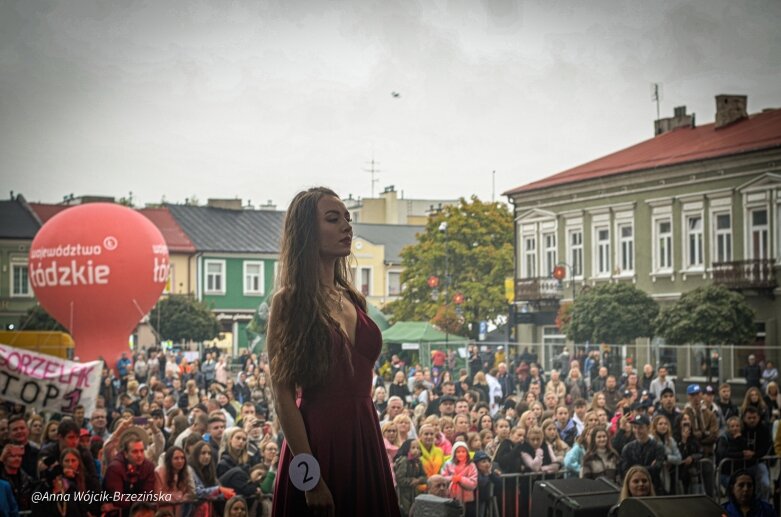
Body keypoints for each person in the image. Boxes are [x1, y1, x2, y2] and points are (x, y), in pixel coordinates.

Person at [268, 187, 399, 516]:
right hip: (316, 443)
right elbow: (283, 397)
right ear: (307, 232)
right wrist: (309, 479)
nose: (347, 227)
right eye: (333, 219)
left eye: (348, 219)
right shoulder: (288, 302)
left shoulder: (355, 299)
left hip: (365, 436)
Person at [103, 432, 156, 517]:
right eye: (135, 451)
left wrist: (132, 501)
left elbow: (148, 495)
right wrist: (138, 500)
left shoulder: (148, 466)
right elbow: (118, 499)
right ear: (125, 454)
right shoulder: (115, 468)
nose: (139, 455)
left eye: (142, 451)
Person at [154, 446, 195, 517]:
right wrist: (178, 497)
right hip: (163, 513)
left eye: (182, 458)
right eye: (176, 458)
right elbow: (158, 496)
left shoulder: (186, 472)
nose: (180, 461)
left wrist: (182, 498)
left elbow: (191, 493)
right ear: (169, 460)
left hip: (180, 511)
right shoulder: (159, 472)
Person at [440, 441, 478, 517]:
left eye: (463, 451)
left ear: (467, 453)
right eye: (458, 452)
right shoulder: (448, 464)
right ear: (454, 453)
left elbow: (473, 483)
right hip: (450, 497)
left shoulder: (471, 465)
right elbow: (442, 478)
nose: (461, 454)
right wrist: (452, 478)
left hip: (467, 499)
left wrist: (461, 479)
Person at [393, 439, 426, 517]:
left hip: (414, 493)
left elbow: (425, 477)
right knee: (404, 512)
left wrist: (418, 480)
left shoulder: (418, 461)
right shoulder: (404, 460)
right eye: (413, 447)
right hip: (403, 495)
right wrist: (412, 481)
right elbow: (400, 480)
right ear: (407, 448)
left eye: (418, 448)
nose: (416, 450)